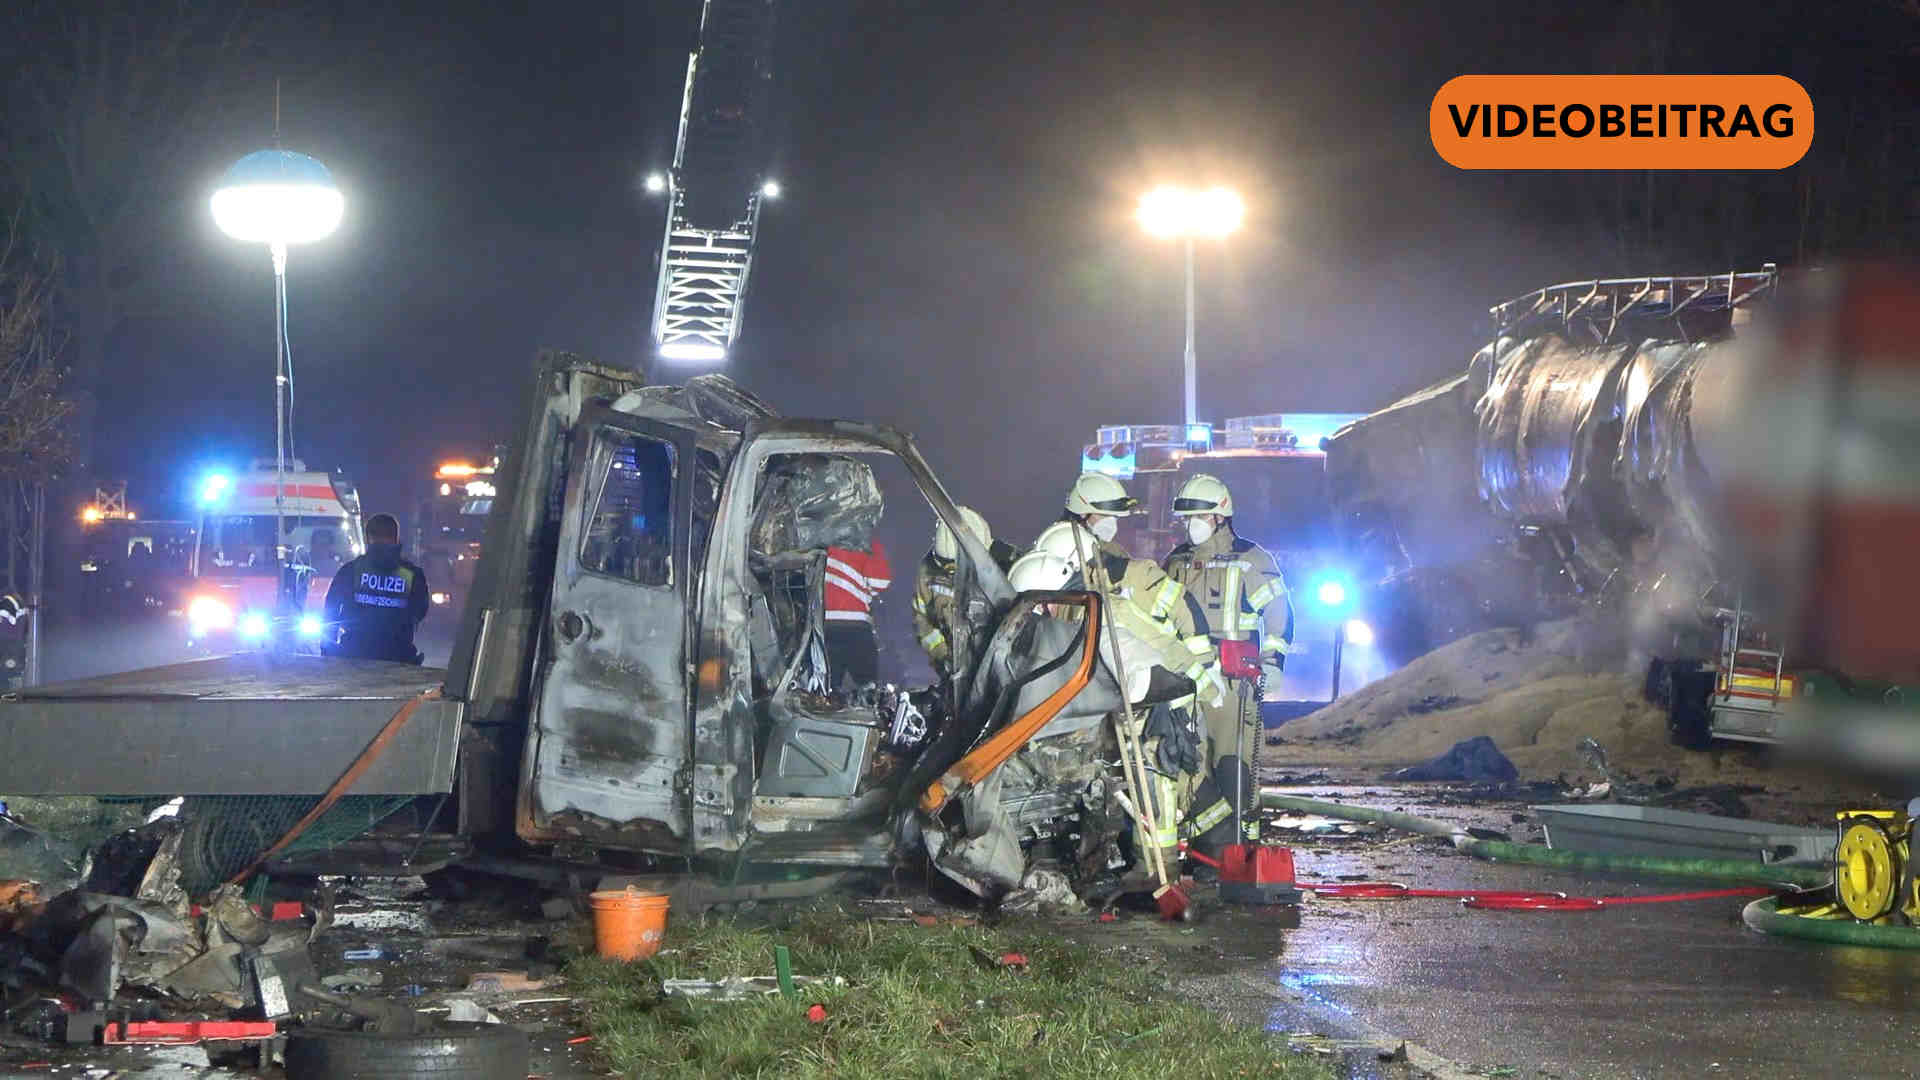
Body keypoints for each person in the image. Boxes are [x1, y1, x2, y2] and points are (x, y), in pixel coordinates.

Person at [1030, 519, 1222, 889]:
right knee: (1151, 774)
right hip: (1159, 689)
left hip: (1171, 694)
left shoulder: (1102, 616)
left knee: (1155, 773)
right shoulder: (1085, 607)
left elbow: (1136, 675)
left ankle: (1159, 872)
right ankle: (1156, 862)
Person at [1162, 473, 1294, 848]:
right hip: (1188, 682)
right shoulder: (1176, 561)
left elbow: (1280, 611)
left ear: (1219, 516)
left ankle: (1242, 848)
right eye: (1185, 520)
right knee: (1190, 767)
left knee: (1233, 767)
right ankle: (1207, 850)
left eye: (1196, 518)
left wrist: (1273, 662)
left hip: (1234, 685)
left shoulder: (1250, 559)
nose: (1189, 526)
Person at [913, 505, 1017, 678]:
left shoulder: (1009, 563)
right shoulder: (928, 572)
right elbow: (923, 623)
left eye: (957, 566)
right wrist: (944, 658)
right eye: (946, 566)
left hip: (1004, 661)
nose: (952, 573)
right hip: (956, 666)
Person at [323, 513, 430, 663]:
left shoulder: (351, 570)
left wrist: (328, 648)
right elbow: (420, 611)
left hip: (353, 656)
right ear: (396, 538)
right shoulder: (413, 574)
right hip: (399, 658)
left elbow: (331, 610)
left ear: (368, 538)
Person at [823, 537, 892, 688]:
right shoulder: (867, 541)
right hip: (855, 625)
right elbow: (879, 582)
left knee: (828, 687)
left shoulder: (825, 540)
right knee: (872, 684)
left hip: (823, 625)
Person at [1061, 472, 1138, 561]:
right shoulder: (1059, 546)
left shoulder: (1114, 550)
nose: (1112, 523)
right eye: (1105, 515)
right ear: (1083, 513)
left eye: (1115, 517)